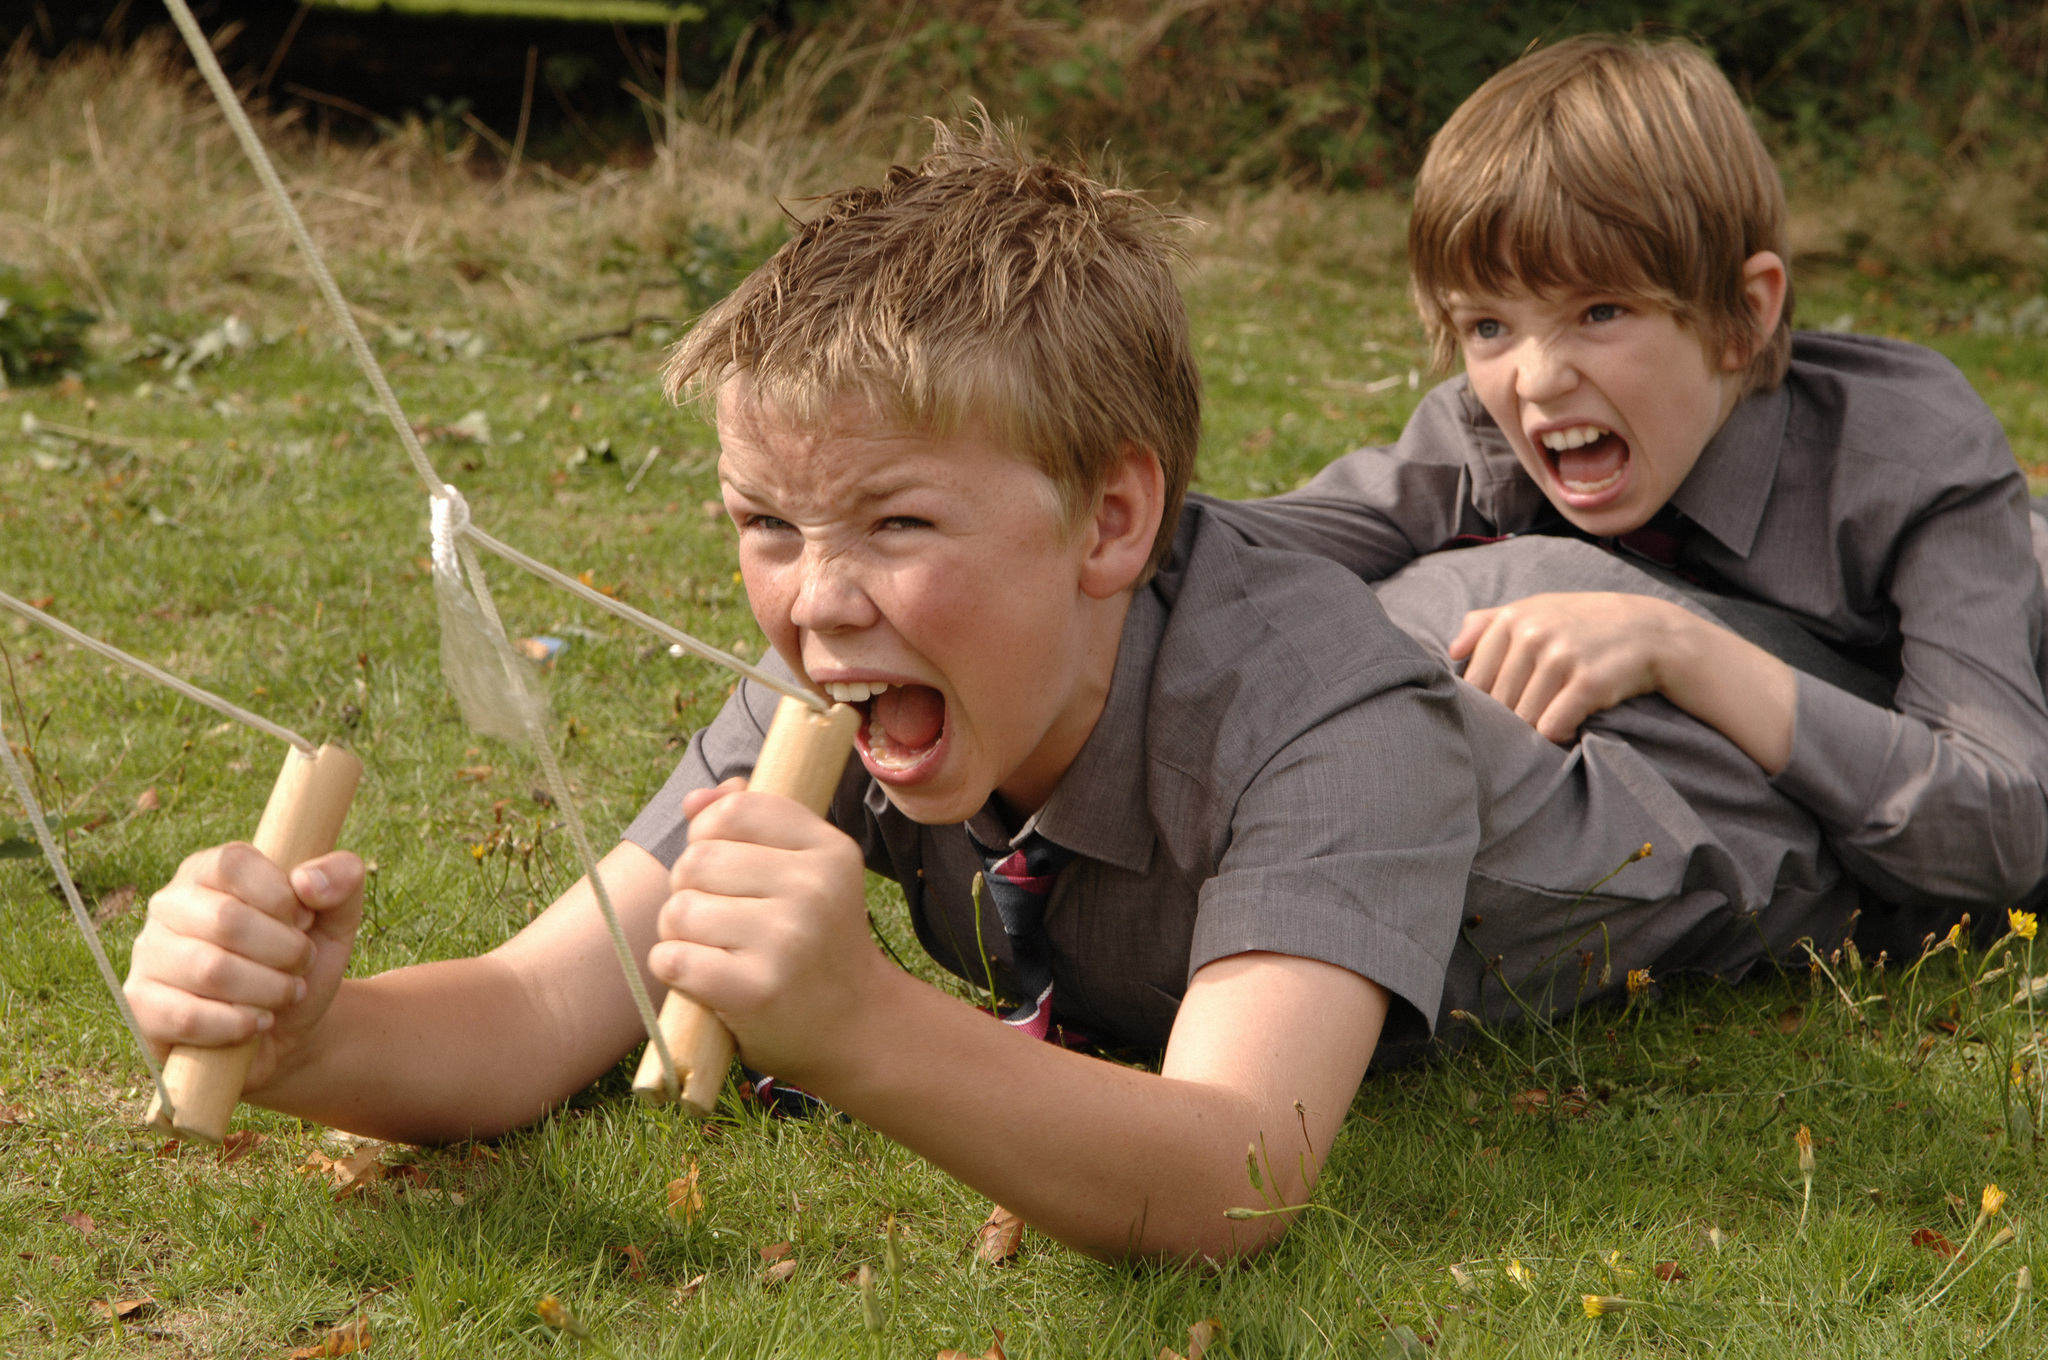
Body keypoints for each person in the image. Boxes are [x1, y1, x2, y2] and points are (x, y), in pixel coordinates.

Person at [123, 122, 1852, 1264]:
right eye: (765, 526)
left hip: (1693, 806)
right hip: (1443, 643)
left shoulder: (1328, 718)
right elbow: (525, 1015)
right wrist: (296, 1033)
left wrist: (864, 1025)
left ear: (1107, 515)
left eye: (893, 523)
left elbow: (1236, 1170)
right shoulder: (847, 686)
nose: (813, 601)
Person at [1211, 35, 2048, 942]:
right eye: (1489, 324)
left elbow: (2003, 832)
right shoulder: (1486, 433)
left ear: (1744, 316)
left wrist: (1679, 649)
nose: (1535, 380)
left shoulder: (1912, 459)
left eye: (1599, 312)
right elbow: (1231, 547)